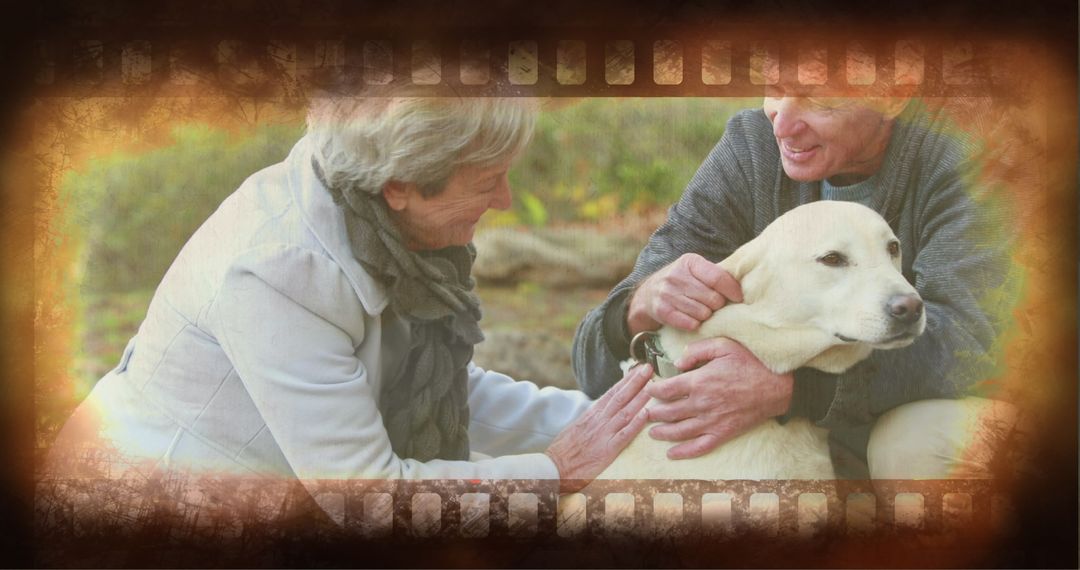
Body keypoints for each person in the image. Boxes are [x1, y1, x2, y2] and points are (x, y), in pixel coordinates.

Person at [46, 95, 653, 498]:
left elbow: (430, 386)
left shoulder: (369, 206)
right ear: (400, 187)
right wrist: (555, 472)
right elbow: (366, 497)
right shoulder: (277, 276)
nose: (506, 202)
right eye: (488, 181)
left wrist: (610, 421)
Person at [571, 88, 1020, 479]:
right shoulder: (752, 148)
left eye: (818, 100)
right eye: (775, 87)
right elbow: (591, 365)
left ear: (892, 96)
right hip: (825, 433)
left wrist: (792, 390)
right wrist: (637, 306)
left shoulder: (970, 154)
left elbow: (972, 345)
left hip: (991, 412)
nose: (782, 123)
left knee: (910, 444)